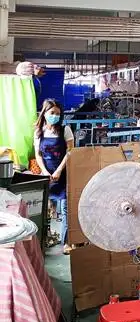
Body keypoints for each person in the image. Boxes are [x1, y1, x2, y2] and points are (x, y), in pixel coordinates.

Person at [34, 99, 74, 249]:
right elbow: (38, 155)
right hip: (46, 176)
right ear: (44, 113)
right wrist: (45, 172)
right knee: (45, 209)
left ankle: (66, 242)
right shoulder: (39, 132)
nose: (55, 116)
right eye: (52, 113)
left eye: (58, 114)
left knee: (65, 210)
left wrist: (59, 170)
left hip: (63, 175)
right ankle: (46, 238)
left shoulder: (65, 130)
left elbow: (70, 151)